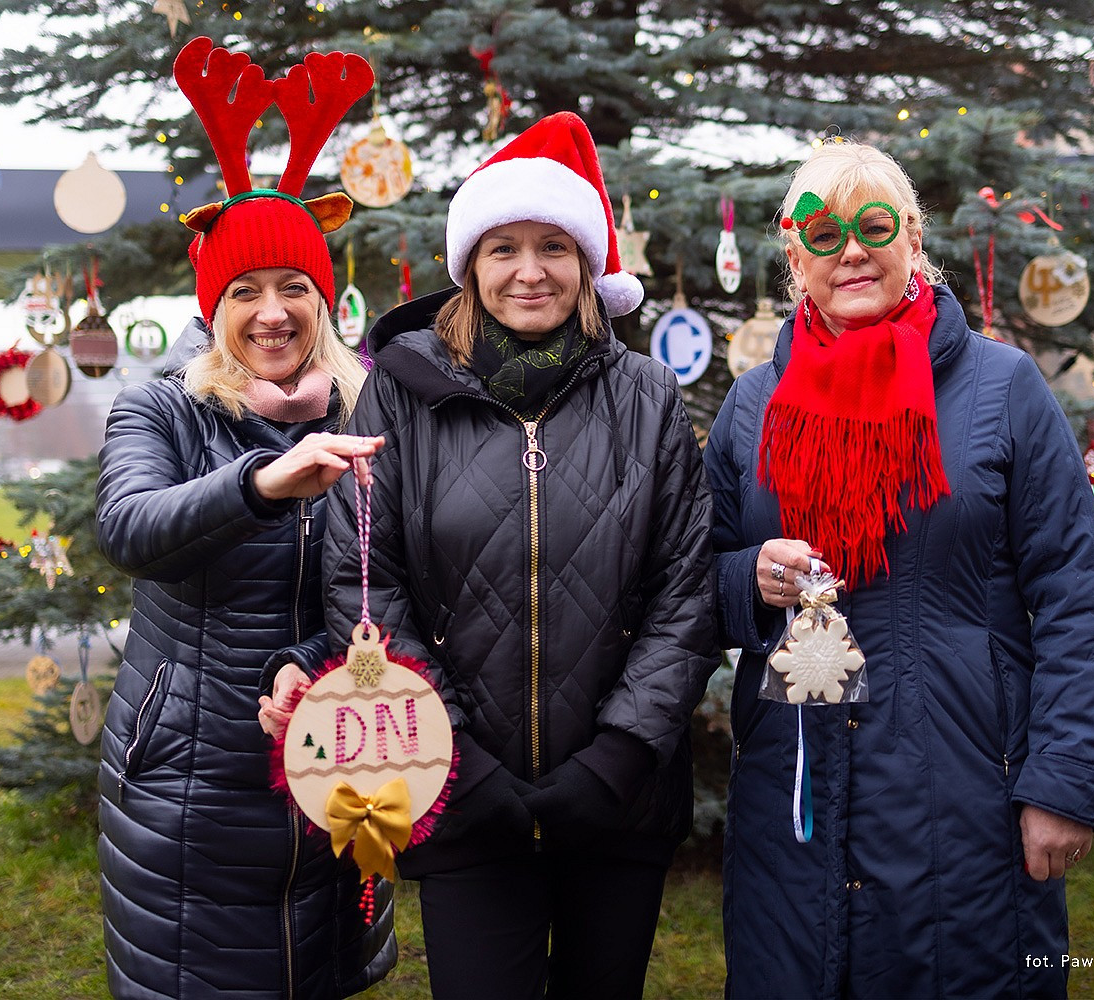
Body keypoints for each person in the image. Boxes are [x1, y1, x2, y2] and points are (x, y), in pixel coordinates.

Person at [261, 111, 719, 1000]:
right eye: (503, 247)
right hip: (463, 795)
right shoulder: (402, 391)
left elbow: (684, 591)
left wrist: (622, 753)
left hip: (617, 798)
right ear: (470, 265)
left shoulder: (648, 396)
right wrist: (455, 757)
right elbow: (366, 580)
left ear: (588, 264)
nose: (529, 271)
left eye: (554, 246)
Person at [706, 140, 1094, 998]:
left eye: (875, 226)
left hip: (966, 796)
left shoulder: (1003, 387)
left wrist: (1063, 784)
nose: (851, 252)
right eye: (824, 234)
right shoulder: (751, 406)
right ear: (795, 258)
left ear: (913, 240)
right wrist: (748, 578)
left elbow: (1073, 596)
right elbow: (689, 584)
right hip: (792, 799)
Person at [94, 37, 393, 999]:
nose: (273, 313)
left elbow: (394, 580)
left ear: (323, 300)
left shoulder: (371, 411)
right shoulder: (162, 409)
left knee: (323, 976)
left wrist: (317, 659)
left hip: (338, 760)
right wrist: (260, 484)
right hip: (191, 784)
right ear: (213, 307)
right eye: (246, 292)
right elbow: (129, 528)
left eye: (294, 287)